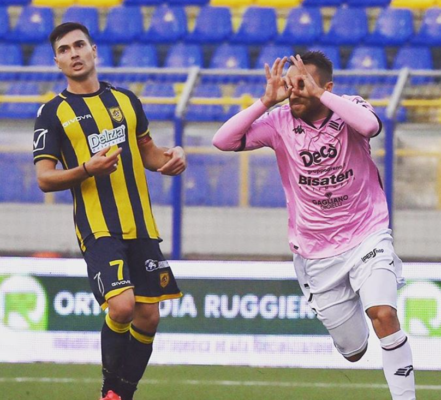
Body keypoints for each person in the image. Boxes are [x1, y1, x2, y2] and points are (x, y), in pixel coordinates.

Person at [213, 52, 416, 400]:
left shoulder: (349, 108)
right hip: (316, 253)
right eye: (290, 85)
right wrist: (265, 101)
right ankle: (351, 313)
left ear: (326, 87)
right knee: (353, 351)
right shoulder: (278, 122)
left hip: (367, 233)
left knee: (383, 313)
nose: (294, 91)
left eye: (302, 84)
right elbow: (222, 141)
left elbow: (371, 127)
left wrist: (320, 94)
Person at [33, 22, 186, 400]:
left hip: (142, 224)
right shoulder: (52, 112)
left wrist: (172, 157)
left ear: (94, 51)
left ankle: (120, 395)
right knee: (122, 306)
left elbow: (149, 153)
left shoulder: (126, 100)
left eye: (79, 45)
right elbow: (44, 178)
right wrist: (87, 169)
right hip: (98, 226)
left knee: (149, 316)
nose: (73, 54)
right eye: (64, 50)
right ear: (57, 62)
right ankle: (109, 388)